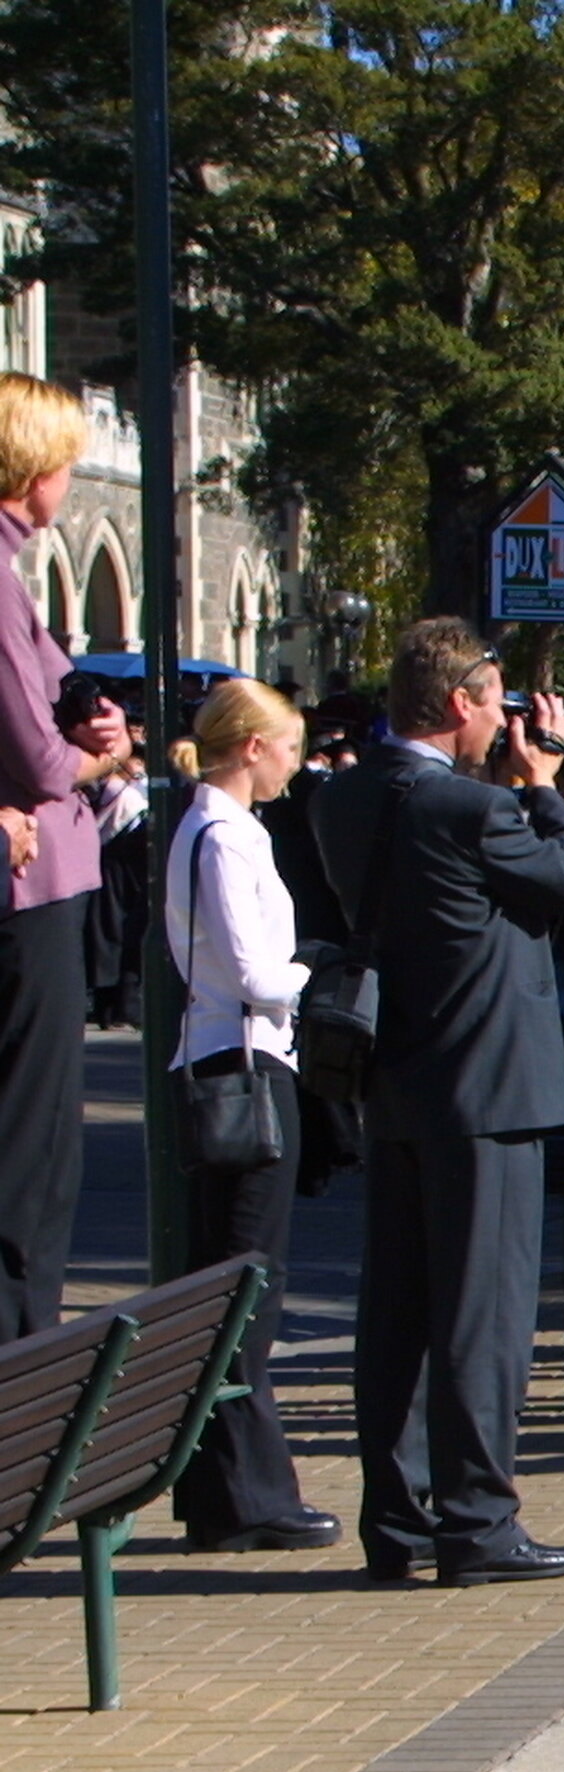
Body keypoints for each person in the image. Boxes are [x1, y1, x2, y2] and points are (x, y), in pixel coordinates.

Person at [312, 618, 564, 1586]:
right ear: (461, 703)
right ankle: (478, 1518)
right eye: (495, 700)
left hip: (396, 1082)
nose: (503, 719)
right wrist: (545, 785)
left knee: (395, 1311)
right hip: (489, 1088)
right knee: (482, 1311)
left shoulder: (344, 797)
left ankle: (396, 1520)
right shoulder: (473, 812)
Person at [157, 679, 337, 1551]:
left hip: (231, 1055)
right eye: (290, 749)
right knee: (245, 1284)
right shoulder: (225, 835)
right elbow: (255, 974)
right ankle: (244, 1492)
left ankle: (226, 1487)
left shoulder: (215, 829)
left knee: (233, 1278)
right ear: (254, 747)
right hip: (245, 1063)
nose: (296, 767)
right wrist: (313, 973)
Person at [0, 376, 130, 1337]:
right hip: (30, 894)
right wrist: (104, 752)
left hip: (44, 876)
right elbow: (42, 758)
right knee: (33, 1155)